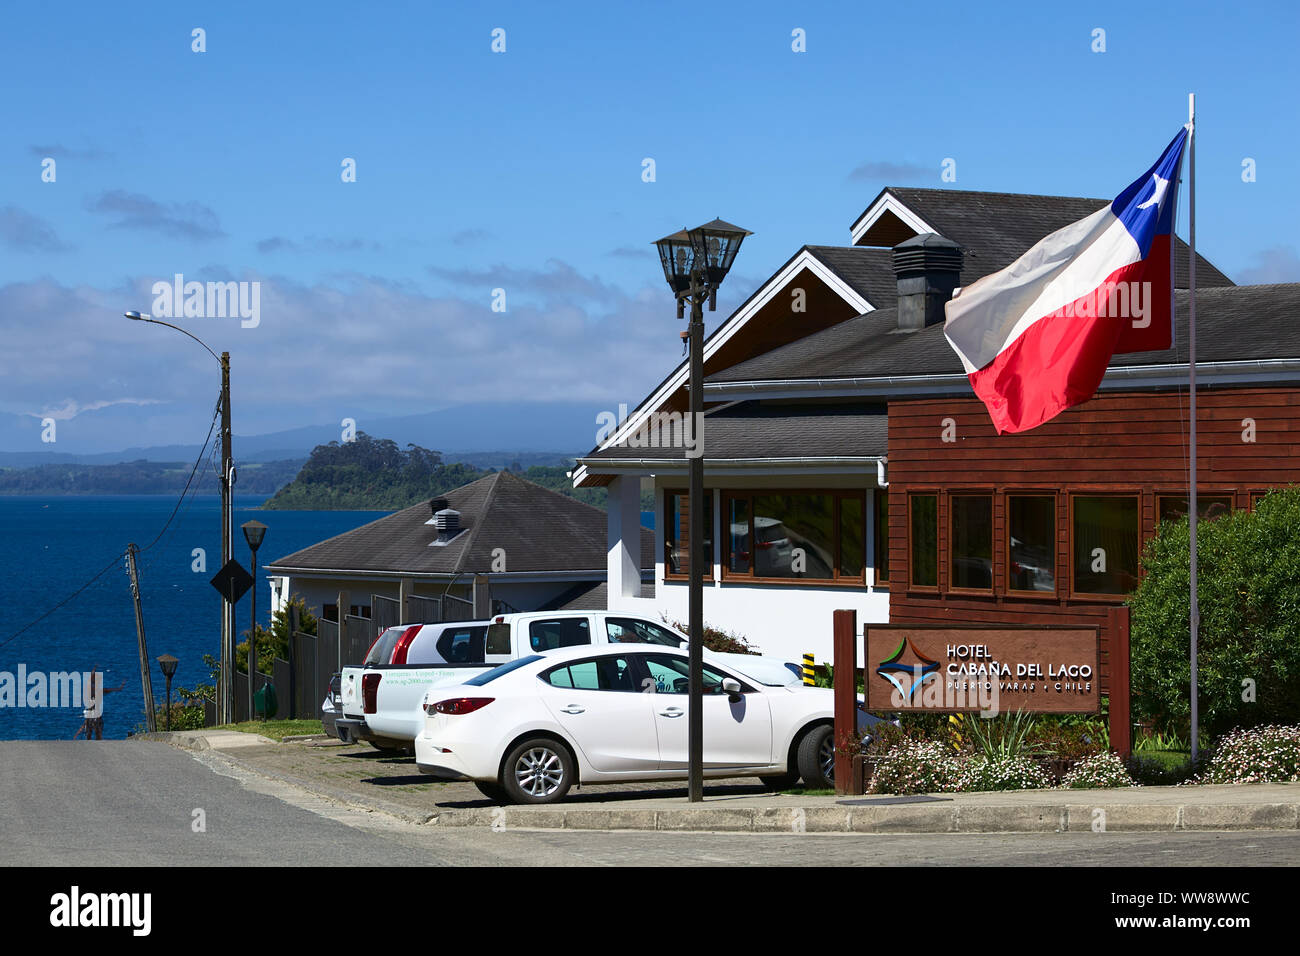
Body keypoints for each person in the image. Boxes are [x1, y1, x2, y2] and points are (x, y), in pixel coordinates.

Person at [73, 666, 126, 740]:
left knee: (92, 726)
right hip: (92, 711)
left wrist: (120, 688)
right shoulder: (96, 689)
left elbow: (111, 689)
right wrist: (120, 687)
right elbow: (111, 689)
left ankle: (88, 735)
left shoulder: (95, 689)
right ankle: (90, 735)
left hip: (93, 711)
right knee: (92, 726)